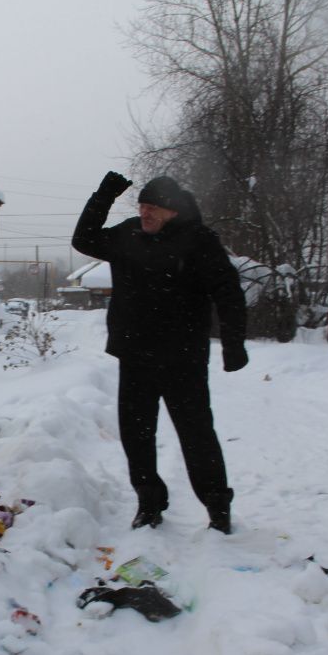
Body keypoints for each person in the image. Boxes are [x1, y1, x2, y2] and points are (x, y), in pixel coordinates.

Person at [72, 171, 248, 533]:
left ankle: (217, 507)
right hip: (135, 355)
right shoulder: (127, 234)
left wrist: (233, 344)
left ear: (173, 211)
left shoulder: (199, 242)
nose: (145, 213)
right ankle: (149, 503)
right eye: (142, 206)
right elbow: (83, 239)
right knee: (137, 435)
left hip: (183, 358)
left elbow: (228, 292)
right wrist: (104, 194)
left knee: (197, 434)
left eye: (153, 208)